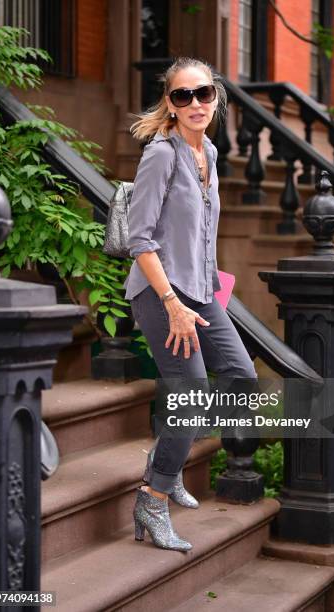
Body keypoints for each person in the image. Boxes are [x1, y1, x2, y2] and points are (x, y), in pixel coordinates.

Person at [124, 57, 257, 552]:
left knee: (241, 377)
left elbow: (202, 233)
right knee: (194, 394)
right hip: (161, 293)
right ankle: (152, 500)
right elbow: (140, 241)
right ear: (170, 104)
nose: (195, 103)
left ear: (216, 96)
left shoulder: (212, 153)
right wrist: (172, 303)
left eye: (203, 93)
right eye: (183, 96)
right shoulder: (161, 154)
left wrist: (212, 292)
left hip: (202, 291)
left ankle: (164, 460)